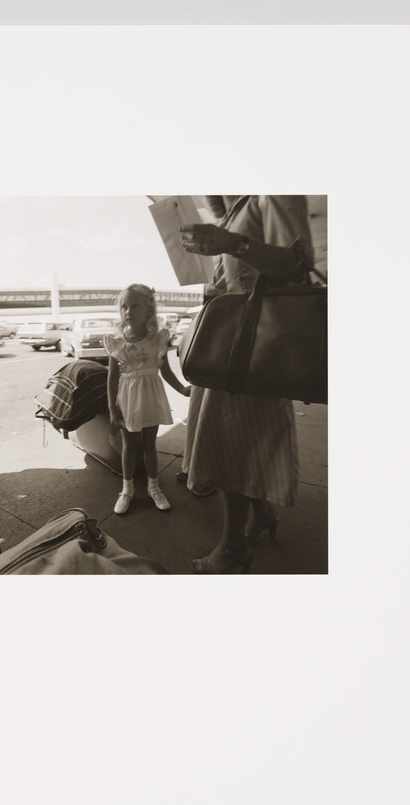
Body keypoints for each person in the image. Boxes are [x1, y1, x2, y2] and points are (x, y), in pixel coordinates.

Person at [180, 195, 315, 574]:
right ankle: (263, 515)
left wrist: (231, 243)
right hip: (238, 346)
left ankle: (232, 550)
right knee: (243, 440)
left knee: (234, 445)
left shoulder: (272, 191)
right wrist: (215, 286)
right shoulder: (241, 207)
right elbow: (239, 281)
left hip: (256, 348)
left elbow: (299, 264)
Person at [104, 284, 191, 515]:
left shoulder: (157, 339)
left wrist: (182, 389)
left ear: (149, 309)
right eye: (124, 307)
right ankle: (127, 489)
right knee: (129, 445)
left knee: (149, 445)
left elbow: (167, 372)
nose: (128, 311)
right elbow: (112, 379)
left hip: (151, 396)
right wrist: (112, 409)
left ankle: (154, 487)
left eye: (135, 306)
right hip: (128, 399)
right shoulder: (116, 341)